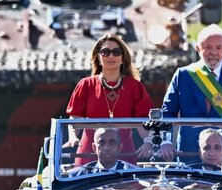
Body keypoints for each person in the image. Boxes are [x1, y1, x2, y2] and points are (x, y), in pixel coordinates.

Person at [159, 24, 222, 162]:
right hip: (189, 153)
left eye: (219, 47)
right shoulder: (183, 75)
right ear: (198, 48)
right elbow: (167, 113)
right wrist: (166, 141)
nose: (213, 52)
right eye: (208, 47)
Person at [66, 33, 155, 164]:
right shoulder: (85, 85)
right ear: (98, 56)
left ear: (123, 57)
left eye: (116, 52)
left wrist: (148, 142)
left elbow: (144, 122)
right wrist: (72, 136)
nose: (111, 56)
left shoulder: (135, 87)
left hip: (124, 152)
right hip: (89, 152)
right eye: (105, 52)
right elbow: (75, 118)